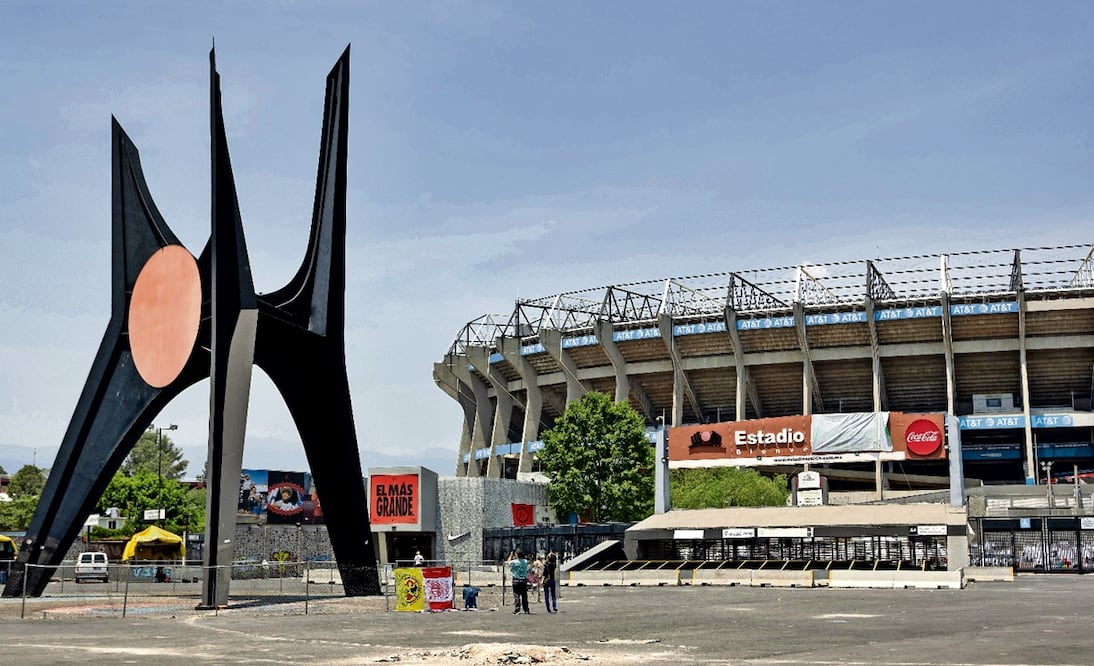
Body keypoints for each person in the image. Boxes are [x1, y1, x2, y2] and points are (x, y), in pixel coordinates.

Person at [507, 550, 531, 614]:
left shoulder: (514, 562)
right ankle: (526, 609)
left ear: (516, 555)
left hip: (516, 580)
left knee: (516, 595)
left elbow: (508, 562)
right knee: (524, 595)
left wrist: (511, 555)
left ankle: (517, 609)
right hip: (523, 580)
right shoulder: (525, 561)